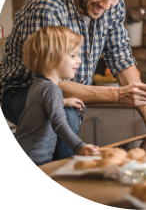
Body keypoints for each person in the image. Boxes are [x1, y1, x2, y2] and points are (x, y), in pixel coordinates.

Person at [0, 0, 146, 160]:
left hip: (65, 91)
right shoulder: (48, 8)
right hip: (21, 90)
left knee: (67, 117)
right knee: (64, 114)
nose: (105, 4)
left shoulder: (113, 3)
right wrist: (118, 96)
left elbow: (121, 57)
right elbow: (53, 85)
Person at [15, 26, 99, 166]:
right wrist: (80, 147)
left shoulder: (39, 84)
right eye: (73, 56)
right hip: (36, 160)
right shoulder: (52, 89)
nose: (79, 60)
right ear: (52, 58)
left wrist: (63, 102)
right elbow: (59, 124)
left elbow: (40, 106)